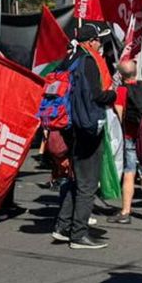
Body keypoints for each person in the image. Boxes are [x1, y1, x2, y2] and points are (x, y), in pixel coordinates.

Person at [53, 23, 116, 250]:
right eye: (99, 40)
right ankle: (79, 235)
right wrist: (113, 94)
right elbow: (96, 95)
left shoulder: (69, 59)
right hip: (86, 127)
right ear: (91, 42)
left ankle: (62, 227)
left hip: (69, 127)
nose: (101, 45)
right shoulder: (87, 61)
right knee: (88, 183)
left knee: (77, 179)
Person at [110, 58, 142, 224]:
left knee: (129, 172)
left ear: (121, 75)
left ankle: (125, 211)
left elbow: (119, 112)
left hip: (130, 136)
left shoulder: (122, 90)